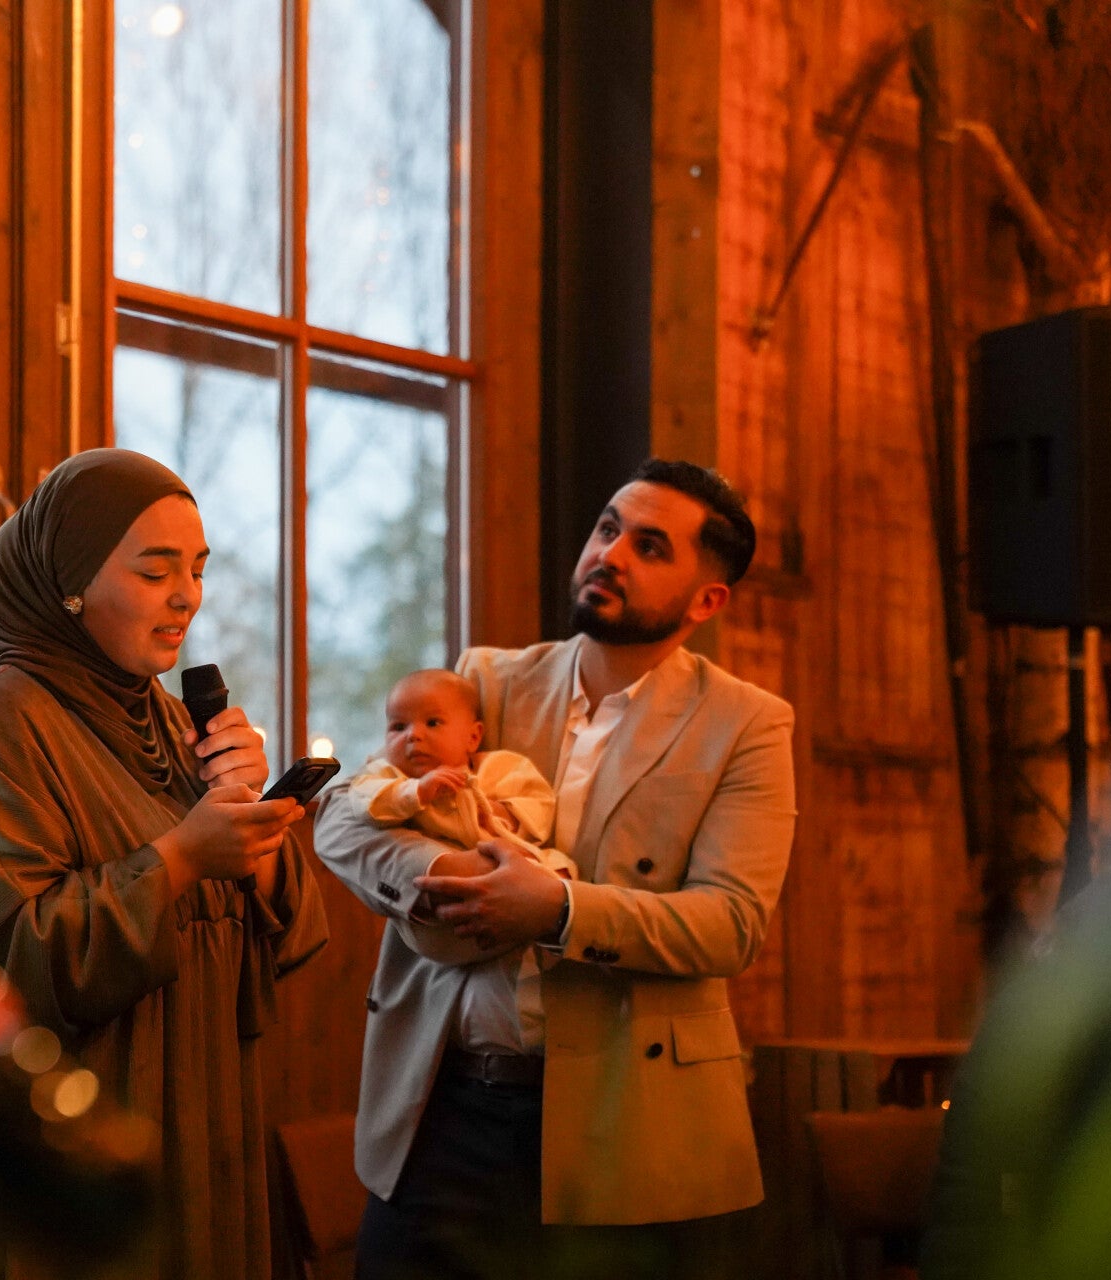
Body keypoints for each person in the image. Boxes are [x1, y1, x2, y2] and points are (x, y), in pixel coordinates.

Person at [314, 459, 797, 1280]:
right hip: (442, 1110)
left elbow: (732, 924)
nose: (611, 553)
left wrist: (560, 910)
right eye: (608, 528)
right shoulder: (487, 682)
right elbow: (345, 815)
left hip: (630, 1126)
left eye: (650, 546)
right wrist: (451, 873)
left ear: (707, 601)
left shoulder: (747, 724)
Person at [0, 448, 330, 1280]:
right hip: (76, 1143)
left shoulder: (176, 724)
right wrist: (181, 857)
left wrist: (256, 837)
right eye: (155, 570)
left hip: (205, 1114)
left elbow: (275, 943)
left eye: (198, 570)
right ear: (69, 582)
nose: (187, 596)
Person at [344, 668, 575, 883]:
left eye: (432, 723)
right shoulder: (388, 774)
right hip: (446, 864)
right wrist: (417, 791)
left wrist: (498, 813)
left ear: (473, 737)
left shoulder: (502, 767)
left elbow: (540, 805)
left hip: (512, 855)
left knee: (561, 868)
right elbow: (365, 801)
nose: (413, 735)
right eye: (398, 727)